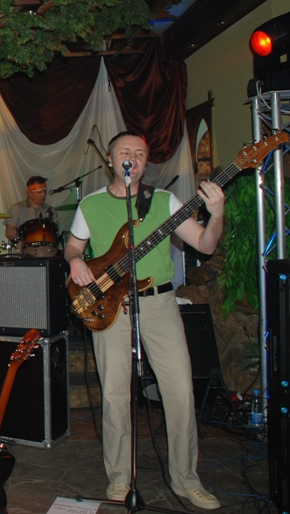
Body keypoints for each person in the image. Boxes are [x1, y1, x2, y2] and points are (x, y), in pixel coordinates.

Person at [64, 131, 224, 510]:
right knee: (116, 395)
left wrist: (216, 214)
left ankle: (186, 479)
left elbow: (205, 244)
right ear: (110, 159)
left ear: (146, 163)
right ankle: (120, 476)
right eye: (125, 151)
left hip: (159, 303)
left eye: (139, 153)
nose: (132, 157)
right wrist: (75, 260)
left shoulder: (164, 201)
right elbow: (73, 245)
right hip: (110, 305)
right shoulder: (91, 204)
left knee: (180, 391)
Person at [4, 175, 59, 248]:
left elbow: (55, 235)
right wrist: (28, 234)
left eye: (45, 191)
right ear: (30, 193)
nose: (43, 195)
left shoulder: (51, 210)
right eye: (39, 192)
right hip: (21, 252)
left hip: (46, 251)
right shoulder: (17, 208)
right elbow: (9, 233)